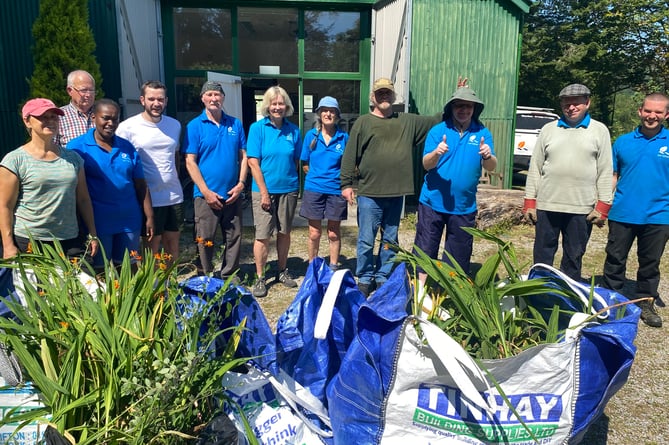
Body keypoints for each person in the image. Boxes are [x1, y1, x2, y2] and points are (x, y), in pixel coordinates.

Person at [340, 77, 439, 296]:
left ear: (394, 96)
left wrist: (454, 101)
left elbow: (436, 121)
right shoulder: (363, 122)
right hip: (369, 194)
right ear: (372, 97)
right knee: (366, 239)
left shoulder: (406, 121)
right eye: (380, 93)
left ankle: (383, 276)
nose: (384, 96)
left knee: (390, 240)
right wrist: (346, 184)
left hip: (396, 193)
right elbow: (349, 155)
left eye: (388, 93)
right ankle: (365, 277)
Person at [523, 83, 612, 282]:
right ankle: (538, 294)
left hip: (581, 208)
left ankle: (566, 297)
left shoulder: (599, 131)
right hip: (548, 204)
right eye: (567, 104)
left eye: (576, 104)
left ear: (587, 103)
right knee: (543, 256)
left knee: (573, 257)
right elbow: (535, 167)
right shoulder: (548, 129)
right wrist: (530, 201)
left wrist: (603, 206)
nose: (571, 108)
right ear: (561, 105)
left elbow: (606, 169)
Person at [413, 83, 496, 278]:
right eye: (459, 105)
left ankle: (449, 296)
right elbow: (426, 164)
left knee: (458, 257)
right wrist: (436, 152)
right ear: (451, 108)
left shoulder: (482, 133)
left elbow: (492, 167)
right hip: (432, 203)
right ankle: (420, 295)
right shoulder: (438, 131)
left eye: (468, 106)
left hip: (464, 207)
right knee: (425, 251)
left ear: (474, 109)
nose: (463, 110)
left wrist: (487, 155)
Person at [601, 93, 669, 328]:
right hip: (623, 213)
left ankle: (645, 303)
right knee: (615, 259)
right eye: (648, 111)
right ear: (640, 111)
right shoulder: (622, 142)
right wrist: (603, 203)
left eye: (658, 112)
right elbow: (612, 175)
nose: (652, 116)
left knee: (650, 263)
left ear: (666, 115)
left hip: (659, 215)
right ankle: (611, 301)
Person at [0, 98, 98, 259]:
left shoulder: (73, 158)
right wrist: (8, 245)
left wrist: (92, 233)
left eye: (54, 117)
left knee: (82, 282)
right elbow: (5, 207)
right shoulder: (14, 160)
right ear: (27, 121)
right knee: (37, 285)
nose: (50, 121)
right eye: (43, 117)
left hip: (70, 238)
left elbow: (83, 199)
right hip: (31, 240)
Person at [68, 99, 154, 267]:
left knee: (128, 269)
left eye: (115, 119)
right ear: (93, 117)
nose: (111, 123)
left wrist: (149, 217)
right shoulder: (77, 148)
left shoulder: (126, 147)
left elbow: (141, 185)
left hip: (129, 221)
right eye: (106, 118)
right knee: (101, 272)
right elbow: (74, 191)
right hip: (98, 223)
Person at [183, 81, 247, 281]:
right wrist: (206, 191)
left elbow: (243, 156)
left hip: (232, 193)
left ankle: (229, 273)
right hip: (205, 195)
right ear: (202, 98)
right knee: (205, 238)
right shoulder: (194, 126)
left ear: (223, 98)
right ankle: (204, 276)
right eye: (209, 94)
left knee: (234, 236)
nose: (214, 98)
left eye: (217, 95)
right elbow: (190, 161)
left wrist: (241, 184)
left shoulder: (235, 124)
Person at [116, 80, 183, 266]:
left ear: (166, 101)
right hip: (148, 198)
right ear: (142, 100)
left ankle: (170, 283)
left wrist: (174, 178)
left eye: (160, 99)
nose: (156, 103)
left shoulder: (174, 125)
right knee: (151, 245)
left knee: (173, 242)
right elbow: (123, 163)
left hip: (173, 195)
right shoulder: (127, 127)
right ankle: (151, 288)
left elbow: (175, 156)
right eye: (151, 99)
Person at [247, 86, 301, 298]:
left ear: (286, 106)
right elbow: (253, 162)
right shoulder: (257, 129)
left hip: (288, 189)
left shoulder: (294, 130)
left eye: (281, 103)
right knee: (262, 235)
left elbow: (295, 160)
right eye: (273, 103)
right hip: (263, 190)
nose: (277, 107)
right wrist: (264, 192)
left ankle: (281, 270)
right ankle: (260, 277)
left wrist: (289, 182)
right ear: (267, 106)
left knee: (284, 232)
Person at [299, 96, 349, 269]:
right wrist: (317, 176)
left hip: (336, 190)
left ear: (337, 114)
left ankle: (333, 266)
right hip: (314, 189)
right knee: (314, 233)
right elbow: (305, 163)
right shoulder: (311, 136)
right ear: (319, 114)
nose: (328, 114)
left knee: (334, 233)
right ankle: (313, 266)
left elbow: (349, 165)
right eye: (325, 110)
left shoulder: (344, 137)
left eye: (332, 111)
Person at [57, 70, 96, 147]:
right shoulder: (59, 117)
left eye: (91, 90)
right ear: (70, 91)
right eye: (83, 90)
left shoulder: (102, 114)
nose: (88, 95)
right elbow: (52, 150)